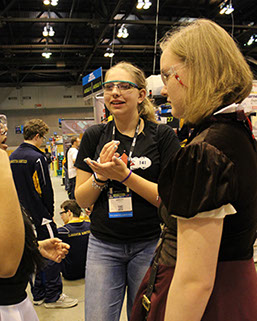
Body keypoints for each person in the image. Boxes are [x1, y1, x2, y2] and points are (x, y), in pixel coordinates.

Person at [130, 19, 257, 321]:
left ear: (197, 71)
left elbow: (194, 281)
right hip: (237, 291)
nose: (162, 89)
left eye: (167, 75)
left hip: (210, 304)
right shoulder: (238, 136)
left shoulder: (206, 153)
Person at [75, 61, 180, 321]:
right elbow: (81, 199)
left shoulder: (162, 136)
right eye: (109, 87)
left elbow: (170, 200)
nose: (115, 93)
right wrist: (100, 176)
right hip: (103, 245)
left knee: (144, 316)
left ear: (141, 94)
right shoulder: (94, 135)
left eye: (124, 86)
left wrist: (126, 177)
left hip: (148, 244)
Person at [0, 91, 69, 320]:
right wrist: (3, 172)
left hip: (13, 300)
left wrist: (31, 249)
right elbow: (2, 263)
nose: (2, 129)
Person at [10, 119, 78, 309]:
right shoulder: (37, 158)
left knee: (33, 252)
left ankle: (38, 294)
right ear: (38, 136)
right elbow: (45, 189)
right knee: (53, 251)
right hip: (41, 215)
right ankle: (53, 296)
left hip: (21, 216)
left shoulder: (12, 156)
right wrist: (48, 211)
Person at [57, 200, 90, 280]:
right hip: (88, 271)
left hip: (70, 274)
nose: (61, 217)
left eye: (62, 213)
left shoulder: (62, 231)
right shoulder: (90, 226)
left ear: (69, 212)